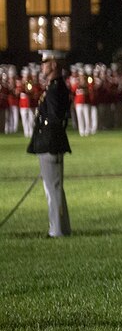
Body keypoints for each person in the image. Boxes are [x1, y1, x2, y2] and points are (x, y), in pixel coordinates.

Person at [27, 50, 72, 237]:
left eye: (45, 62)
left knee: (52, 189)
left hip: (50, 143)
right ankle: (61, 228)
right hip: (49, 142)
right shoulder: (54, 87)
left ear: (54, 65)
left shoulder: (55, 89)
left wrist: (48, 143)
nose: (42, 65)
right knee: (54, 188)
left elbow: (54, 119)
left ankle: (57, 230)